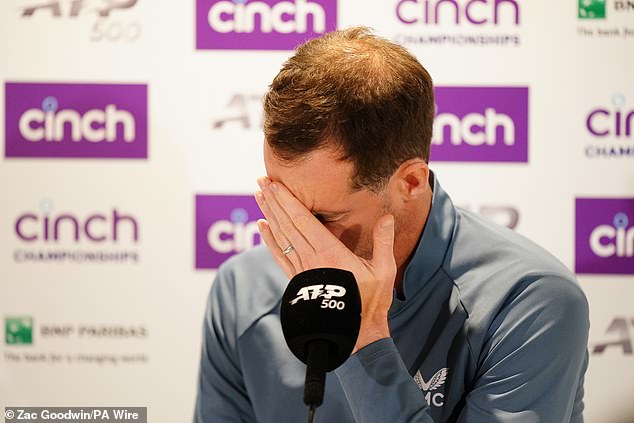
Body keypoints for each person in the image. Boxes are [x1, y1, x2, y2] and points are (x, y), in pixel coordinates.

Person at [194, 27, 589, 423]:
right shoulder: (242, 290)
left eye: (322, 218)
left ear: (411, 182)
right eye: (280, 203)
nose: (294, 236)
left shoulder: (531, 301)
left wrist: (364, 334)